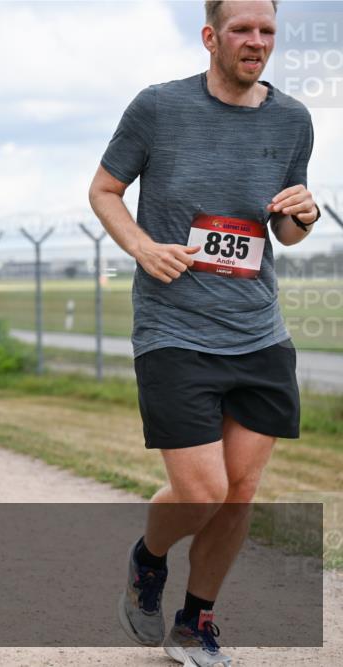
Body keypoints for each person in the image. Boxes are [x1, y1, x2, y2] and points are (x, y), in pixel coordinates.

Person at [88, 2, 320, 665]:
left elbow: (285, 228)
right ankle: (149, 556)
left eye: (267, 30)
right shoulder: (158, 108)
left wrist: (304, 213)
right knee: (202, 489)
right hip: (173, 326)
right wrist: (140, 245)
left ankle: (196, 622)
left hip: (257, 328)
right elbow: (104, 190)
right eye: (242, 29)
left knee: (241, 489)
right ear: (211, 37)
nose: (256, 42)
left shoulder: (292, 120)